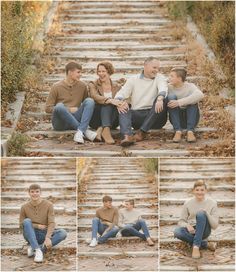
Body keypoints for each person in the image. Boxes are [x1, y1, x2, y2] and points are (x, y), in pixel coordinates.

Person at [114, 56, 168, 147]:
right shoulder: (133, 79)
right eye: (154, 67)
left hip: (156, 117)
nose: (157, 70)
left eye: (158, 68)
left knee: (164, 98)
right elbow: (122, 93)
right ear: (145, 66)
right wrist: (119, 102)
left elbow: (163, 89)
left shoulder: (160, 78)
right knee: (123, 105)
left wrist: (160, 98)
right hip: (138, 117)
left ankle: (142, 132)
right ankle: (127, 136)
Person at [45, 61, 97, 144]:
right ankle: (84, 131)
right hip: (60, 123)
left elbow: (86, 105)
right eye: (78, 72)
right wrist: (68, 109)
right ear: (69, 72)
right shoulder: (56, 86)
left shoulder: (82, 86)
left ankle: (80, 132)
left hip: (76, 117)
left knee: (90, 101)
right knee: (59, 106)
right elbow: (47, 108)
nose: (80, 74)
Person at [19, 184, 67, 263]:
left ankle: (37, 248)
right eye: (32, 192)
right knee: (26, 221)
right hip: (30, 234)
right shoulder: (24, 207)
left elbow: (51, 222)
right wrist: (37, 226)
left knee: (63, 233)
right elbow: (21, 224)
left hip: (43, 234)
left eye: (37, 191)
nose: (35, 194)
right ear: (29, 193)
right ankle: (37, 250)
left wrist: (48, 237)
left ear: (40, 192)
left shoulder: (49, 205)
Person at [174, 180, 219, 259]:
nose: (199, 192)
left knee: (201, 214)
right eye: (197, 190)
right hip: (192, 230)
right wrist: (187, 225)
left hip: (205, 230)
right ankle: (205, 244)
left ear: (206, 191)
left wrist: (206, 214)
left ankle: (196, 247)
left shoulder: (212, 203)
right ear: (193, 191)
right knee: (177, 232)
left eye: (202, 190)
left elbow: (215, 226)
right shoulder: (188, 203)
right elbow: (181, 221)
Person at [89, 61, 123, 144]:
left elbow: (125, 98)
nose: (100, 74)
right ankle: (105, 131)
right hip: (96, 118)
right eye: (99, 71)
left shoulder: (117, 86)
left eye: (103, 71)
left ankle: (102, 130)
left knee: (116, 104)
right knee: (108, 104)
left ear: (109, 72)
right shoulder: (93, 84)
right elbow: (94, 96)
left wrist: (118, 103)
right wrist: (110, 100)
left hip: (112, 120)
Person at [167, 68, 204, 143]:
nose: (169, 78)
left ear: (179, 78)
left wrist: (179, 102)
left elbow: (200, 95)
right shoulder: (168, 87)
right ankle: (177, 131)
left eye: (172, 76)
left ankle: (190, 131)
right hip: (176, 119)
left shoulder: (190, 86)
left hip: (191, 118)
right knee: (171, 98)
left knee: (193, 101)